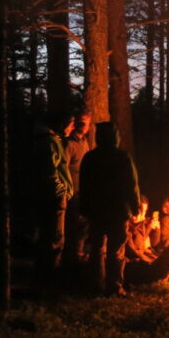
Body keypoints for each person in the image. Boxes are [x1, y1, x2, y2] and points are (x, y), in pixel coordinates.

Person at [79, 121, 140, 296]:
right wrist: (135, 207)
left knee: (97, 249)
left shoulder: (90, 157)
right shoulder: (122, 157)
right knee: (116, 250)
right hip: (117, 211)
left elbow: (84, 185)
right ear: (115, 137)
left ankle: (96, 286)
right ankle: (115, 287)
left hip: (96, 210)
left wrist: (84, 208)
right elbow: (132, 184)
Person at [33, 112, 75, 288]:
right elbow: (50, 172)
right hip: (54, 198)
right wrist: (61, 192)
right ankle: (50, 281)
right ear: (62, 124)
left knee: (48, 237)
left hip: (50, 196)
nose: (72, 128)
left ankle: (44, 276)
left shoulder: (49, 140)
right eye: (71, 124)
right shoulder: (50, 142)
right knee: (56, 239)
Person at [64, 111, 94, 262]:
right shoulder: (69, 143)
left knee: (84, 223)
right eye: (80, 122)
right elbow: (64, 168)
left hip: (83, 190)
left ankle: (80, 253)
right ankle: (73, 255)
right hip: (72, 191)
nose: (83, 126)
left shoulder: (84, 142)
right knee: (74, 224)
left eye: (86, 123)